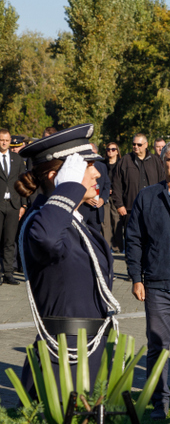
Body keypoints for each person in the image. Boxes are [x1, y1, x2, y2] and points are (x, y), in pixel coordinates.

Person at [16, 124, 118, 396]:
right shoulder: (41, 221)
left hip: (89, 351)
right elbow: (47, 238)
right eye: (86, 166)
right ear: (57, 177)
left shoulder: (73, 222)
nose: (97, 173)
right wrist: (69, 189)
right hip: (65, 357)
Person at [125, 140, 170, 419]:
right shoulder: (147, 196)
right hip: (157, 286)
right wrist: (136, 277)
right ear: (162, 162)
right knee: (157, 348)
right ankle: (159, 404)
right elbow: (134, 239)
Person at [111, 133, 165, 249]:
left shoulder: (155, 161)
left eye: (139, 144)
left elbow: (162, 182)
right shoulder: (125, 160)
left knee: (151, 241)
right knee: (132, 242)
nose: (136, 147)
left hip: (152, 208)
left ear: (146, 145)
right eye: (134, 144)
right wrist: (119, 205)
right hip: (130, 209)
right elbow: (116, 184)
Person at [0, 129, 27, 284]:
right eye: (1, 140)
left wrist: (23, 204)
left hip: (13, 205)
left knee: (10, 241)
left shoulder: (17, 159)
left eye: (6, 140)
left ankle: (8, 273)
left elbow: (22, 182)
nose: (4, 143)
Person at [102, 142, 124, 252]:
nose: (110, 151)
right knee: (105, 221)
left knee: (117, 220)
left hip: (117, 196)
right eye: (108, 149)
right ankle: (107, 246)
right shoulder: (102, 164)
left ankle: (118, 247)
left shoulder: (121, 164)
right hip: (105, 195)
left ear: (117, 151)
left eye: (113, 149)